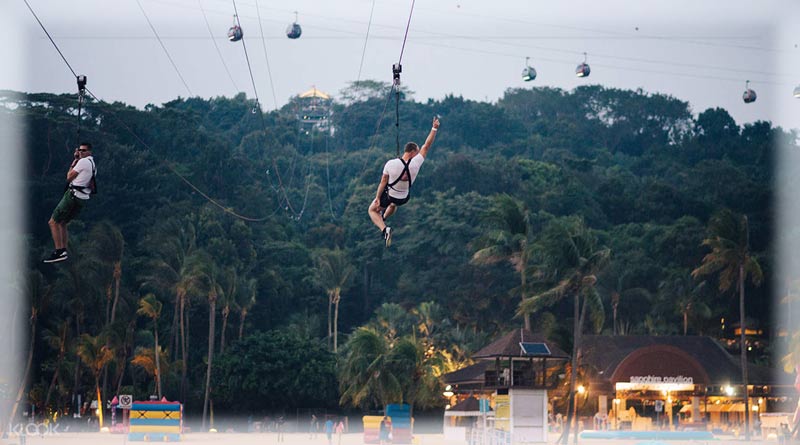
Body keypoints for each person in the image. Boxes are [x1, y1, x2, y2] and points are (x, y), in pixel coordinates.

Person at [368, 117, 440, 247]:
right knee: (393, 204)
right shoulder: (416, 163)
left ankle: (384, 229)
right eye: (417, 152)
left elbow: (383, 181)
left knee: (372, 210)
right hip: (404, 197)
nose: (418, 154)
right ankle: (383, 218)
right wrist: (434, 128)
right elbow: (427, 145)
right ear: (413, 152)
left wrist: (378, 198)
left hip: (391, 195)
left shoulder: (391, 163)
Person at [43, 142, 96, 263]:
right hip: (82, 199)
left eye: (84, 150)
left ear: (89, 152)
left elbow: (68, 177)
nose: (81, 152)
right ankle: (63, 250)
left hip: (73, 195)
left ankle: (59, 251)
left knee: (53, 222)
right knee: (62, 222)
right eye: (80, 150)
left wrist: (74, 161)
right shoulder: (93, 164)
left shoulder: (83, 162)